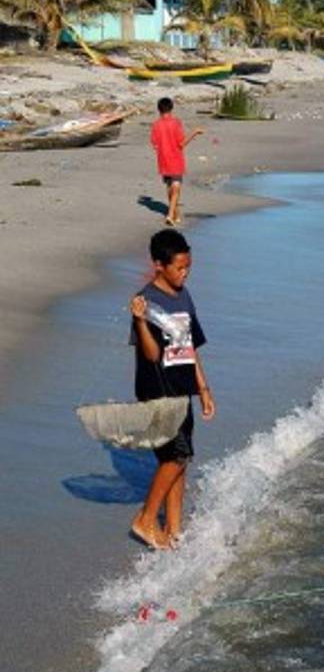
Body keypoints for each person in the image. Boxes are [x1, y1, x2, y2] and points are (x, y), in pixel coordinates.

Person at [129, 228, 215, 550]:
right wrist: (139, 322)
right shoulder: (146, 301)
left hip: (182, 389)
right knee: (176, 457)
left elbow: (190, 346)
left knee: (182, 459)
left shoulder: (184, 295)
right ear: (159, 265)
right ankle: (146, 520)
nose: (185, 272)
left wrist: (203, 388)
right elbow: (151, 355)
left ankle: (174, 530)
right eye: (179, 267)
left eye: (188, 266)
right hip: (157, 392)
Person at [150, 96, 204, 227]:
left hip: (163, 160)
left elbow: (154, 144)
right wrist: (195, 132)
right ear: (171, 108)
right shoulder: (175, 123)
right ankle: (170, 215)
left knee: (170, 188)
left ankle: (176, 214)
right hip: (175, 160)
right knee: (176, 188)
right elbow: (181, 143)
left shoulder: (156, 125)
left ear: (159, 110)